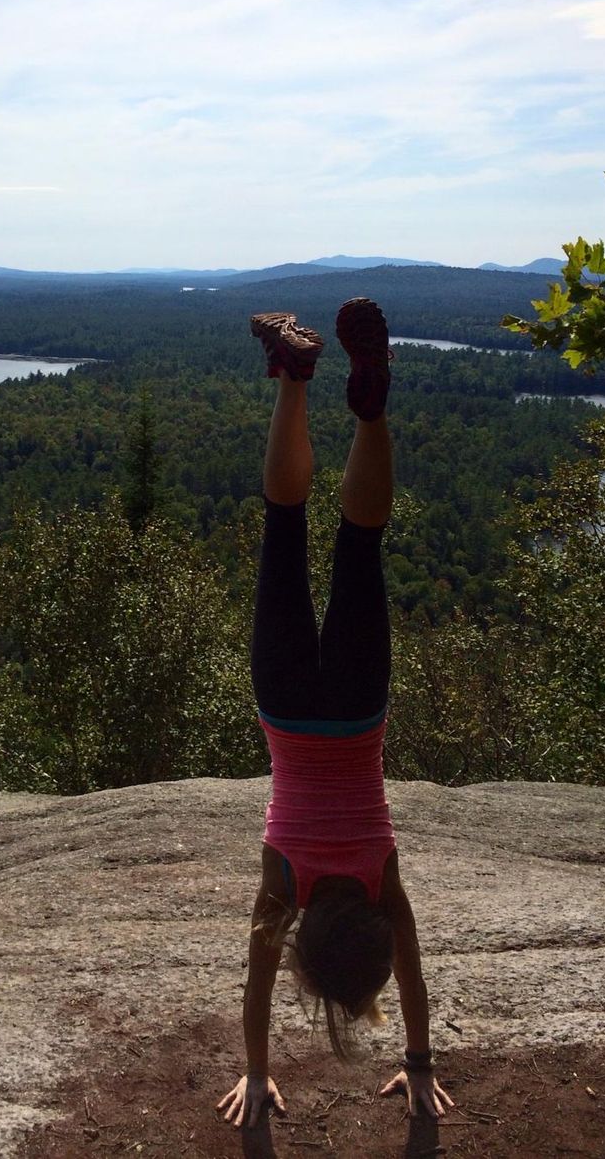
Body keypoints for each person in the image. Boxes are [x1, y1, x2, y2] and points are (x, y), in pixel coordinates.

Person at [217, 298, 454, 1130]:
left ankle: (371, 408)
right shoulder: (284, 887)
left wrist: (420, 1064)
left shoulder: (384, 883)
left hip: (356, 709)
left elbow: (415, 970)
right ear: (305, 943)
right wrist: (255, 1070)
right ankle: (292, 376)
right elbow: (253, 982)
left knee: (359, 542)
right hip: (286, 703)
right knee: (284, 531)